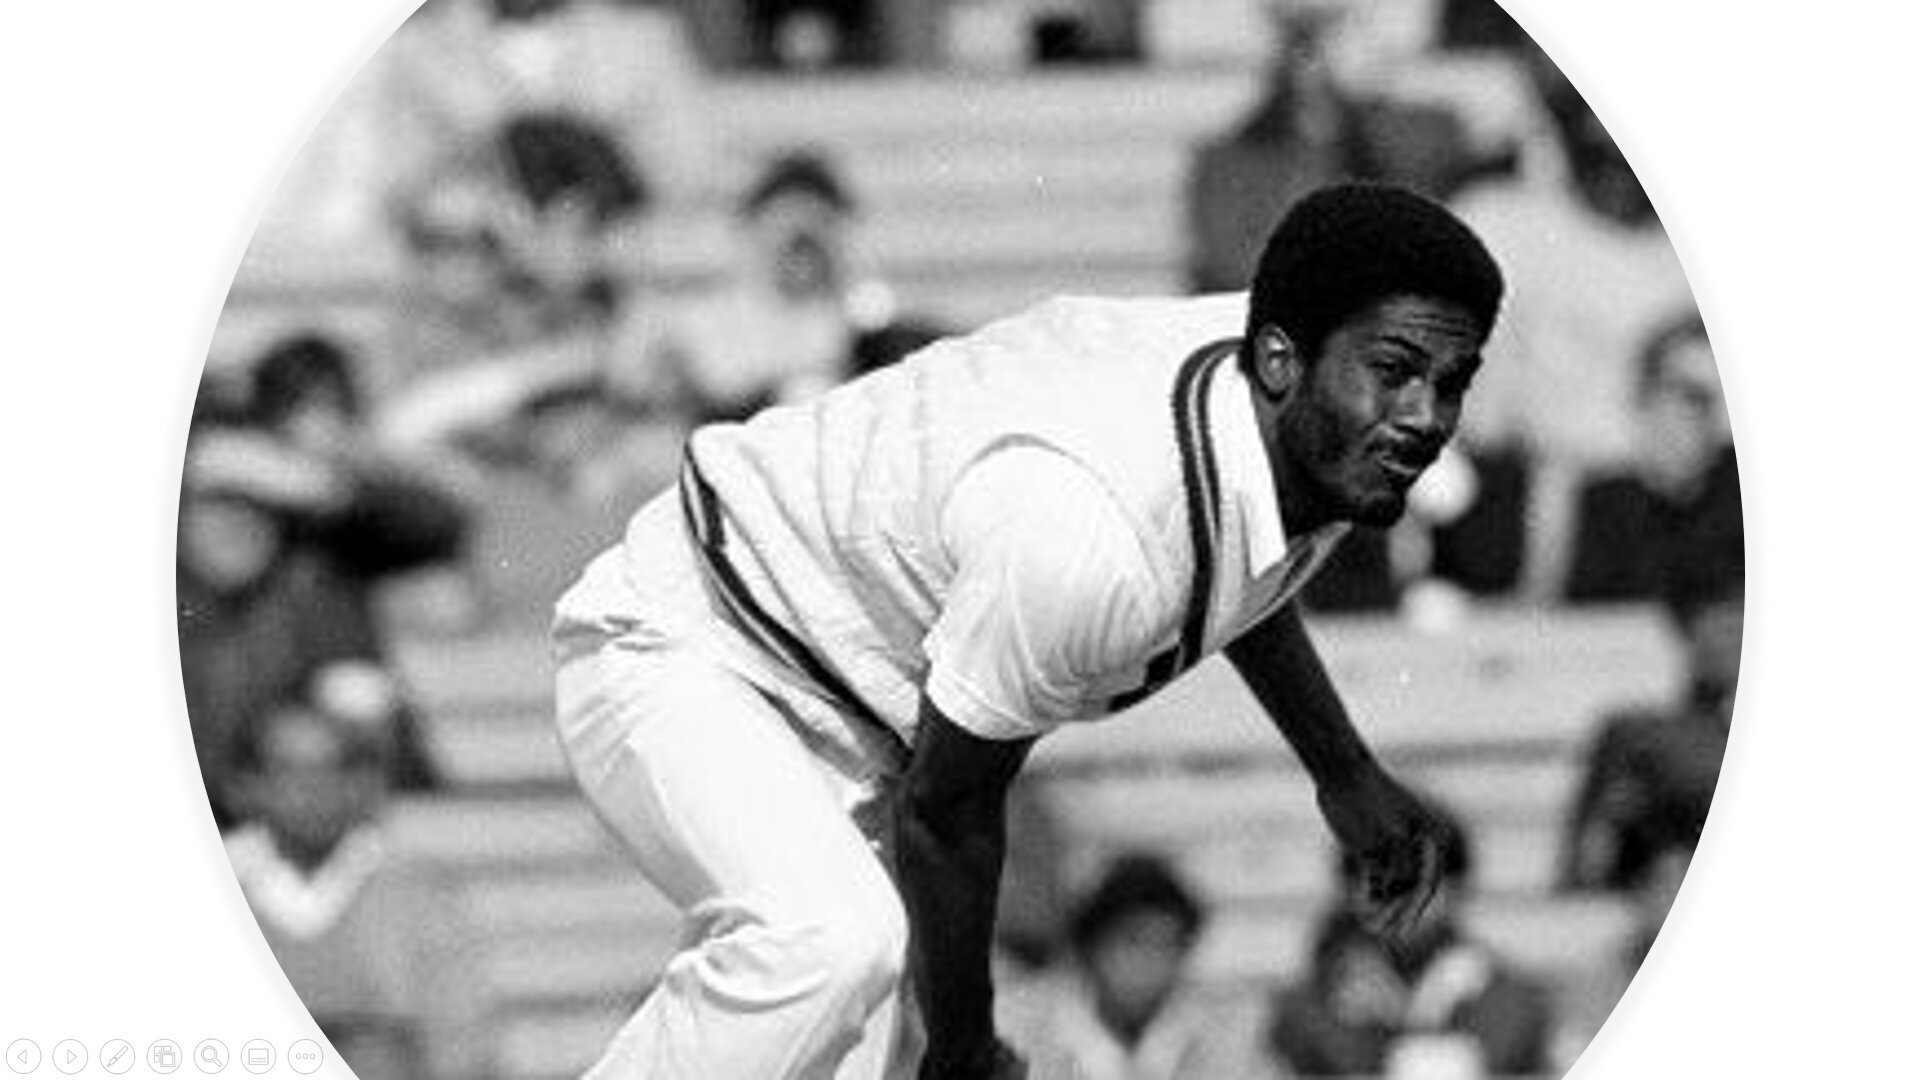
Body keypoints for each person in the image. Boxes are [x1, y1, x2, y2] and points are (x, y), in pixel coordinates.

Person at [550, 183, 1505, 1079]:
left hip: (840, 694)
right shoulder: (1097, 526)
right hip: (693, 637)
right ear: (1281, 359)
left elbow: (1235, 565)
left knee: (834, 1010)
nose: (1425, 416)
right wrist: (964, 1047)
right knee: (829, 945)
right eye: (1396, 373)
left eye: (1451, 381)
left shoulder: (1312, 397)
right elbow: (947, 812)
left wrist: (1343, 769)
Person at [1267, 807, 1557, 1078]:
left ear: (1457, 888)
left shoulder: (1510, 997)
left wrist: (1416, 1020)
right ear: (1351, 891)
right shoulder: (1309, 1007)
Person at [999, 853, 1276, 1080]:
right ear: (1093, 948)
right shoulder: (1023, 1031)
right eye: (1134, 942)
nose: (1151, 963)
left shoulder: (1224, 1042)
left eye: (1168, 945)